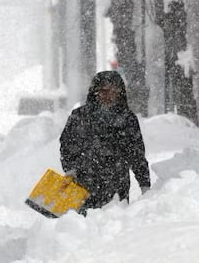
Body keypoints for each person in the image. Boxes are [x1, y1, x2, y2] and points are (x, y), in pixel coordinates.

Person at [59, 69, 151, 213]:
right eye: (104, 91)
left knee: (111, 230)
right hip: (83, 187)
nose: (108, 96)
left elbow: (137, 154)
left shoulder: (128, 119)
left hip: (116, 189)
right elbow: (67, 145)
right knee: (78, 230)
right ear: (95, 92)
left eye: (113, 91)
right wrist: (70, 169)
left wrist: (145, 186)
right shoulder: (79, 116)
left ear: (120, 93)